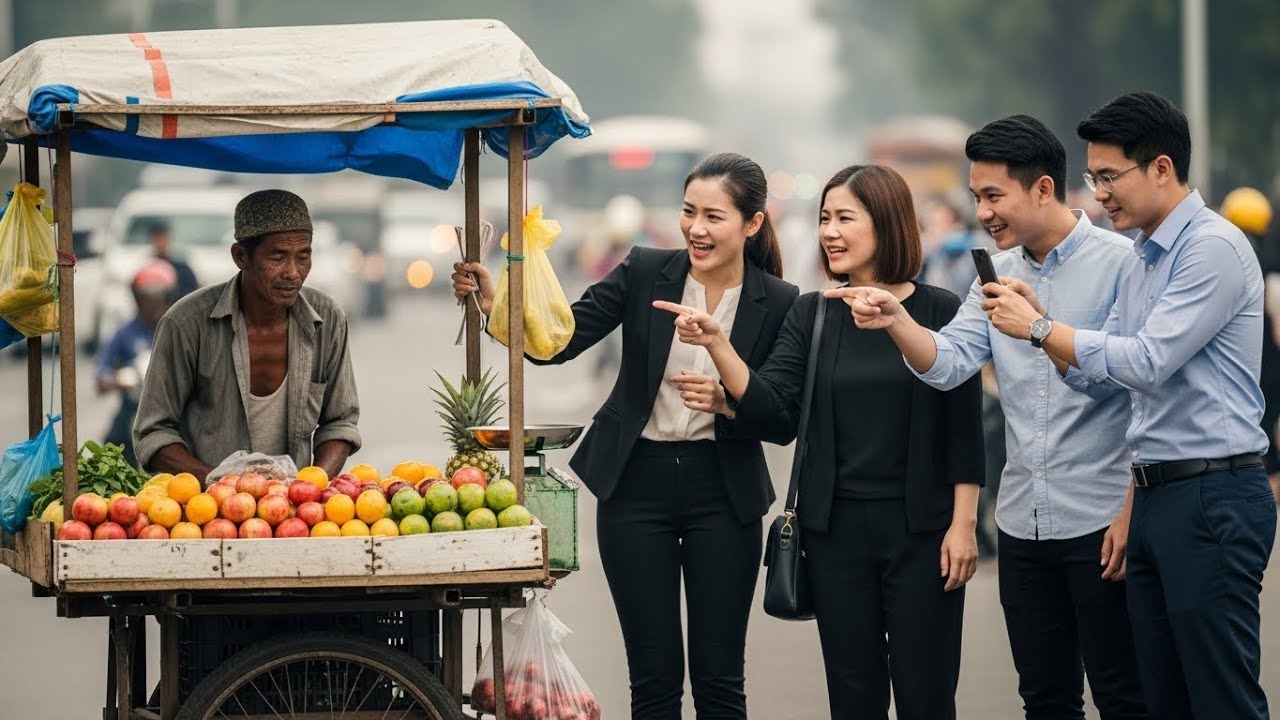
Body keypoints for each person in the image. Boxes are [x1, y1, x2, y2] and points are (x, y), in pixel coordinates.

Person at [453, 153, 798, 719]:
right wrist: (497, 305)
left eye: (715, 216)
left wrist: (729, 401)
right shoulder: (644, 272)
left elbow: (781, 419)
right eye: (689, 212)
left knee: (719, 680)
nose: (697, 228)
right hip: (635, 488)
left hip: (725, 493)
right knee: (654, 677)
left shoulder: (780, 301)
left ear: (753, 223)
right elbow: (561, 340)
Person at [981, 91, 1276, 720]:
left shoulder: (1211, 247)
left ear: (1162, 168)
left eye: (1110, 176)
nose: (1099, 192)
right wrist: (1043, 319)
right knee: (1157, 698)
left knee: (1218, 694)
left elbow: (1144, 361)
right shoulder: (1144, 256)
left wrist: (1037, 332)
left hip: (1213, 493)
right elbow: (1101, 378)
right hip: (1156, 494)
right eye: (1095, 177)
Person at [843, 116, 1146, 719]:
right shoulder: (995, 276)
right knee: (1044, 698)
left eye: (992, 196)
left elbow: (1139, 389)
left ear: (1041, 188)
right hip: (1022, 525)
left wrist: (1131, 511)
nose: (981, 211)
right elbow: (948, 364)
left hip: (1103, 521)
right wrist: (895, 320)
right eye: (976, 196)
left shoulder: (1124, 264)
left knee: (1124, 697)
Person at [659, 163, 984, 720]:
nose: (829, 232)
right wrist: (717, 344)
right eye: (824, 218)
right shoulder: (812, 313)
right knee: (853, 696)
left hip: (923, 533)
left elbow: (964, 427)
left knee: (926, 694)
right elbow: (772, 408)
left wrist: (963, 524)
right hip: (834, 535)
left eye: (844, 218)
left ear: (886, 223)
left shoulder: (939, 311)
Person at [133, 189, 361, 481]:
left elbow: (340, 423)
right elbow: (153, 433)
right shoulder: (186, 324)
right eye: (278, 257)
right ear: (241, 256)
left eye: (303, 257)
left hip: (295, 511)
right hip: (208, 512)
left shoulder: (327, 320)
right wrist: (221, 482)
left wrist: (309, 488)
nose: (293, 272)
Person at [96, 260, 177, 467]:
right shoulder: (125, 333)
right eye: (146, 298)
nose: (153, 304)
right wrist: (121, 379)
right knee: (110, 462)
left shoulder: (179, 329)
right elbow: (101, 378)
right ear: (137, 299)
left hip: (175, 416)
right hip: (132, 413)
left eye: (158, 297)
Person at [147, 222, 199, 302]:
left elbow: (192, 295)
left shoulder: (182, 269)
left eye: (163, 239)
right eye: (157, 239)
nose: (160, 243)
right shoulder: (147, 269)